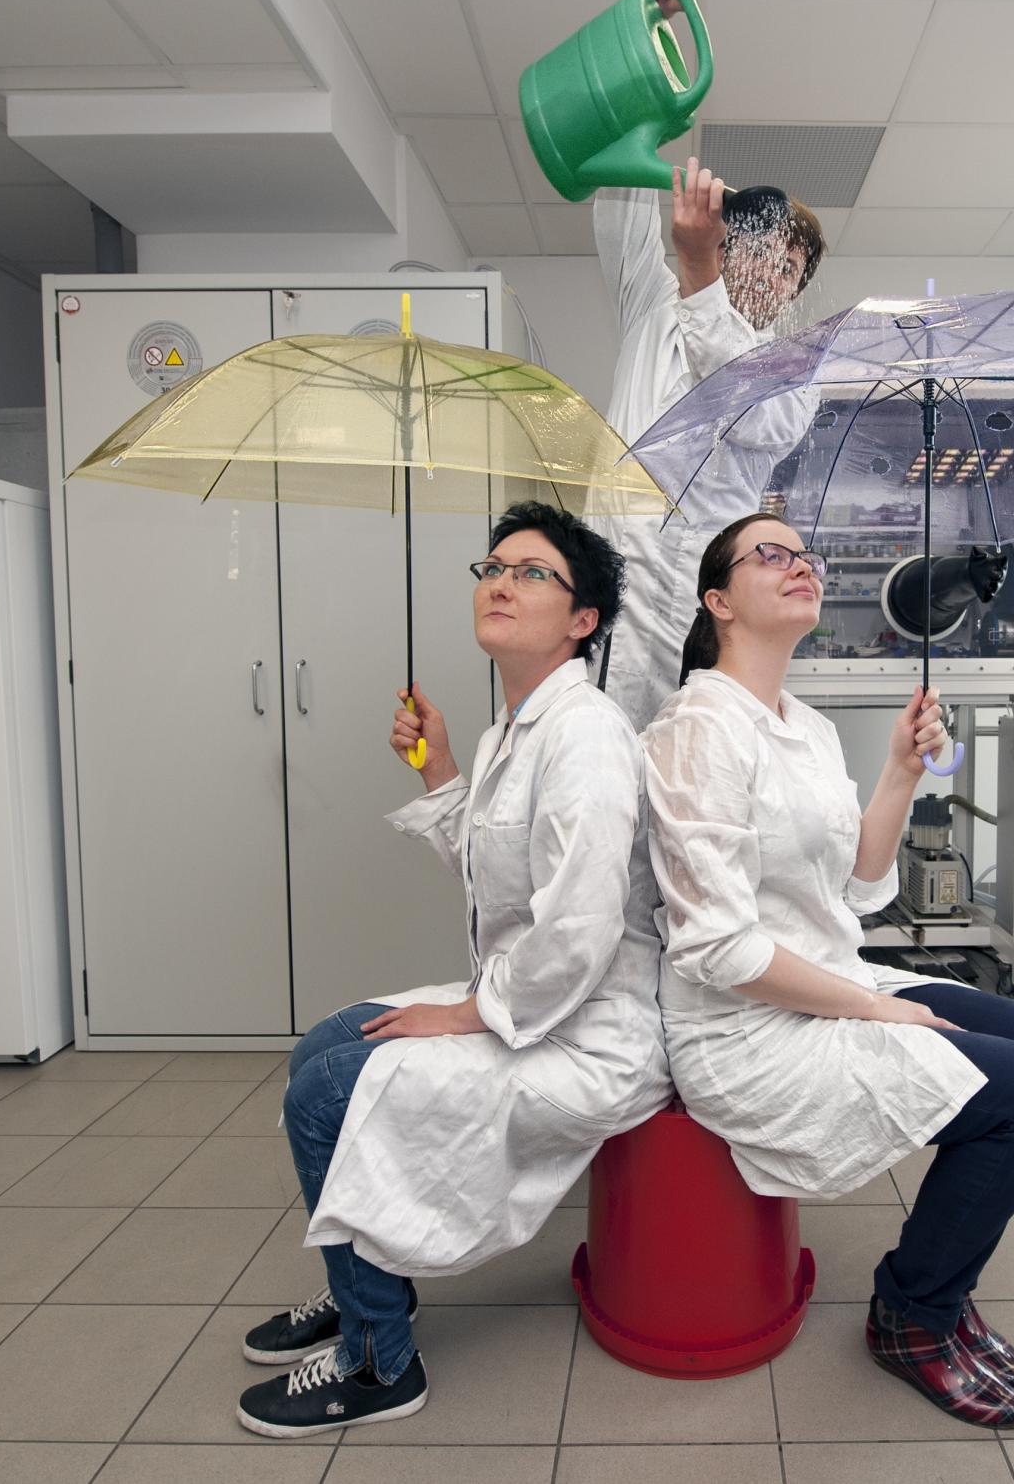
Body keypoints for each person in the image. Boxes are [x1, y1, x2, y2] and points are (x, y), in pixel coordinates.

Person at [236, 501, 671, 1439]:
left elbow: (581, 931)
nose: (500, 583)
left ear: (583, 621)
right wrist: (438, 770)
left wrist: (471, 1015)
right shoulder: (510, 729)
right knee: (320, 1048)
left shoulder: (587, 736)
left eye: (532, 573)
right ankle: (365, 1282)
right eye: (491, 567)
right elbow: (494, 872)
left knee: (329, 1095)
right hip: (528, 998)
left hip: (588, 1029)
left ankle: (377, 1357)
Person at [640, 513, 1014, 1430]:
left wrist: (900, 772)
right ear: (719, 600)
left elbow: (862, 883)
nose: (800, 563)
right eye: (772, 554)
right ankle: (914, 1316)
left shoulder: (807, 725)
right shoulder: (695, 731)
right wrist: (885, 1012)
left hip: (826, 980)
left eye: (806, 553)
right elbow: (718, 949)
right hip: (745, 1025)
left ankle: (935, 1280)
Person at [590, 0, 828, 731]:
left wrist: (699, 273)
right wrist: (640, 36)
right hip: (602, 594)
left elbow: (744, 401)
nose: (774, 271)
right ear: (731, 247)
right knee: (593, 791)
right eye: (763, 249)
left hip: (702, 610)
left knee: (689, 792)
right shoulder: (655, 303)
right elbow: (622, 193)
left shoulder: (794, 374)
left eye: (791, 267)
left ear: (795, 292)